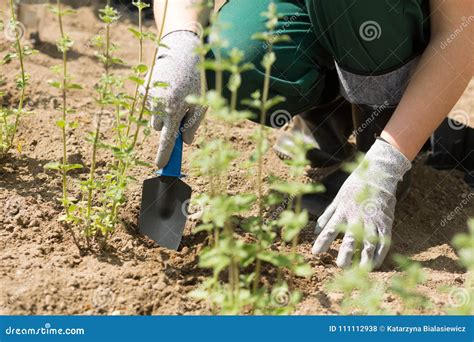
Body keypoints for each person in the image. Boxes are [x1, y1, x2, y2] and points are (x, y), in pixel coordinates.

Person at [145, 0, 473, 269]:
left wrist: (387, 163)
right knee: (235, 59)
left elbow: (462, 28)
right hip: (314, 12)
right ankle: (332, 115)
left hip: (401, 19)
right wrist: (180, 38)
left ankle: (383, 137)